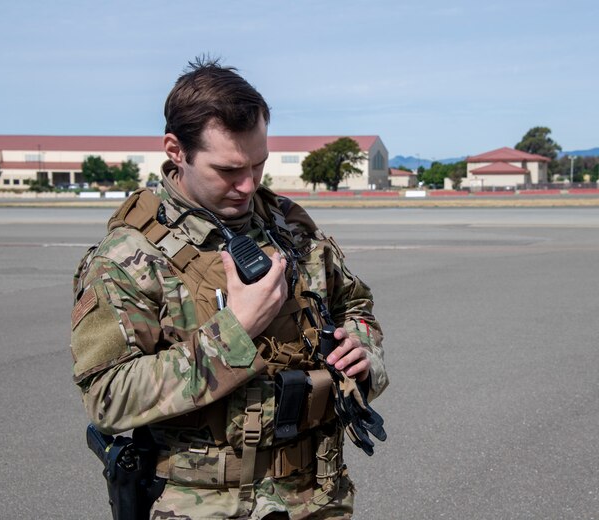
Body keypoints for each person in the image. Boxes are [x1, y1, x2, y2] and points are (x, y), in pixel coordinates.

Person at [70, 57, 388, 519]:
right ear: (175, 150)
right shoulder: (128, 258)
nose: (247, 185)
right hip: (203, 506)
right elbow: (108, 396)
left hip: (316, 499)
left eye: (258, 165)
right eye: (228, 170)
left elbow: (354, 303)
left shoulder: (289, 226)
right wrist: (235, 332)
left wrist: (362, 346)